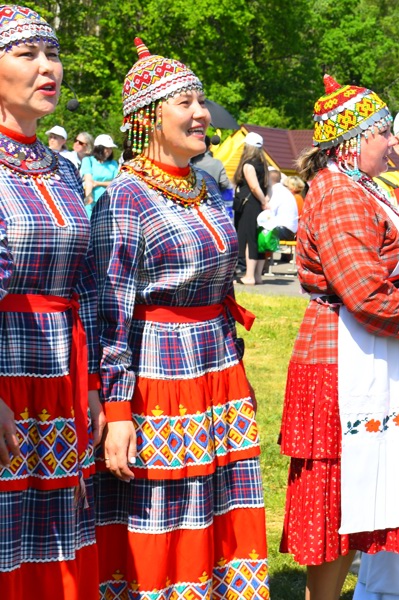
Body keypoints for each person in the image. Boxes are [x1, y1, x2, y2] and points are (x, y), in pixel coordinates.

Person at [91, 38, 268, 599]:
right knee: (166, 508)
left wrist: (235, 372)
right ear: (148, 117)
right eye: (185, 102)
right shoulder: (125, 197)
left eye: (202, 101)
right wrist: (117, 407)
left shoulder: (208, 188)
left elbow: (219, 290)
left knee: (218, 500)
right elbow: (109, 311)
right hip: (158, 370)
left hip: (215, 366)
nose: (201, 113)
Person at [280, 75, 399, 600]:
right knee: (337, 498)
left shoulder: (358, 187)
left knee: (354, 496)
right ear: (354, 139)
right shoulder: (337, 195)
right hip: (341, 355)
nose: (389, 142)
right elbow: (362, 291)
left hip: (364, 350)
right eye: (383, 131)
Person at [0, 6, 103, 598]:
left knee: (57, 540)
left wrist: (91, 384)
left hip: (61, 372)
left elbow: (84, 281)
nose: (48, 69)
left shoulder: (62, 168)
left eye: (53, 55)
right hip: (8, 378)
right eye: (27, 55)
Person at [233, 131, 269, 285]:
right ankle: (258, 276)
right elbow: (267, 186)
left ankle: (249, 276)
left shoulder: (248, 165)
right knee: (258, 238)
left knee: (249, 239)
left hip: (250, 205)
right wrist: (267, 200)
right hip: (259, 206)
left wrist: (262, 201)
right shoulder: (264, 165)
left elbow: (253, 186)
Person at [80, 133, 119, 218]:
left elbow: (116, 183)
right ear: (99, 148)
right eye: (106, 148)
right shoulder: (88, 160)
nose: (109, 150)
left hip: (109, 203)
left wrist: (98, 183)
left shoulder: (113, 164)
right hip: (92, 203)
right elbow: (88, 179)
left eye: (110, 148)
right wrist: (89, 195)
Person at [265, 167, 298, 242]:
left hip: (284, 230)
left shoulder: (275, 191)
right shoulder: (284, 190)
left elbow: (269, 212)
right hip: (291, 231)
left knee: (256, 231)